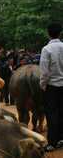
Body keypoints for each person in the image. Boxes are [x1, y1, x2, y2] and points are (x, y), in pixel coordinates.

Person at [40, 22, 63, 152]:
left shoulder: (46, 49)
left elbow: (44, 72)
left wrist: (43, 86)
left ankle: (54, 142)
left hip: (52, 86)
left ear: (47, 33)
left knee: (52, 114)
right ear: (61, 33)